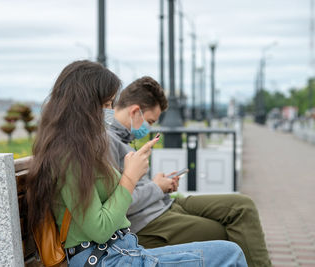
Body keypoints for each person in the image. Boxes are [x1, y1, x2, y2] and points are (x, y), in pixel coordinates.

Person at [26, 60, 247, 267]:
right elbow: (100, 228)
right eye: (106, 104)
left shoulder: (80, 149)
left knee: (228, 247)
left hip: (121, 251)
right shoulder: (69, 155)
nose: (110, 112)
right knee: (231, 254)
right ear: (84, 105)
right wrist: (130, 178)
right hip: (105, 258)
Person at [106, 76, 271, 267]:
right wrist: (156, 187)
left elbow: (133, 186)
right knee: (226, 233)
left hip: (164, 205)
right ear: (135, 111)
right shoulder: (109, 141)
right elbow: (117, 206)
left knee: (243, 206)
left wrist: (158, 184)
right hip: (148, 223)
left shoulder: (124, 138)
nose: (149, 128)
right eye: (150, 122)